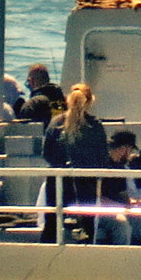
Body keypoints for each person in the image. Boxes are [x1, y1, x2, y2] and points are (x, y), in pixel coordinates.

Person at [42, 83, 111, 242]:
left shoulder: (55, 123)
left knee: (52, 225)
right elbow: (102, 159)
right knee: (87, 228)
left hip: (57, 184)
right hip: (86, 186)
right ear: (90, 101)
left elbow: (47, 153)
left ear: (68, 100)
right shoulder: (94, 126)